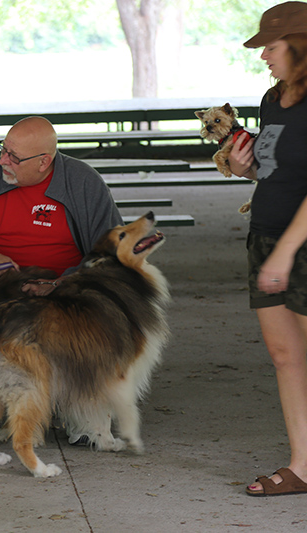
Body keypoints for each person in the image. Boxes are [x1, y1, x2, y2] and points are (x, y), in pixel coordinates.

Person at [229, 1, 307, 497]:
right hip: (266, 235)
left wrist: (286, 253)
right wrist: (246, 170)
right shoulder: (272, 99)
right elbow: (275, 171)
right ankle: (303, 465)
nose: (264, 57)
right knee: (285, 356)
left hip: (300, 244)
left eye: (271, 48)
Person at [0, 116, 122, 294]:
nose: (2, 161)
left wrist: (61, 282)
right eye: (3, 149)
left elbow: (112, 253)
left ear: (44, 162)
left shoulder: (84, 183)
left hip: (69, 293)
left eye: (14, 157)